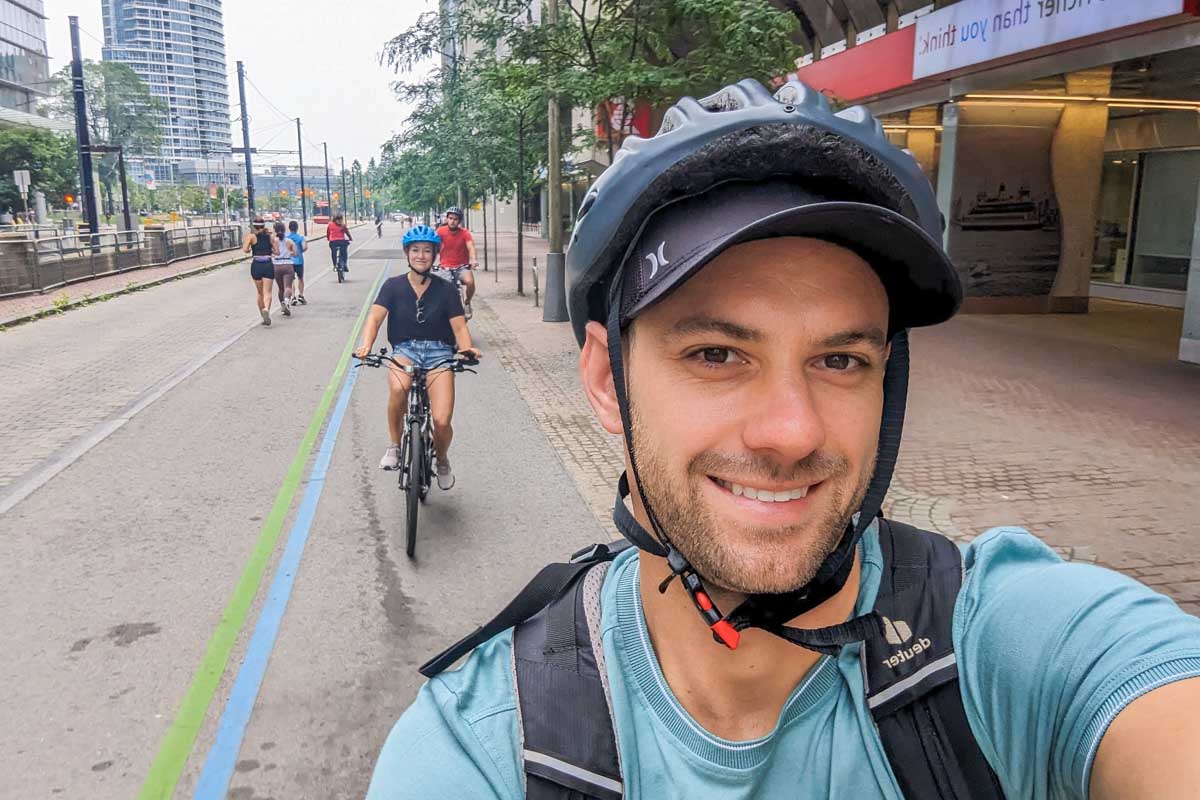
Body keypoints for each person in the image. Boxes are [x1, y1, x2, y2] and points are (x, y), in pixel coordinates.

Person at [366, 79, 1200, 799]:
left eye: (840, 358)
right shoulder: (489, 742)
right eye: (717, 354)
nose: (793, 432)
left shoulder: (1009, 644)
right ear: (605, 380)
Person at [355, 225, 481, 489]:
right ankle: (394, 446)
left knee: (441, 420)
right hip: (406, 351)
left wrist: (467, 348)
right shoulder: (392, 286)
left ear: (435, 254)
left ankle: (442, 459)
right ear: (407, 253)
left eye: (427, 251)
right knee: (398, 390)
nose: (421, 256)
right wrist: (365, 345)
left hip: (439, 353)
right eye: (415, 250)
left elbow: (459, 327)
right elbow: (375, 317)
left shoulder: (446, 290)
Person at [434, 206, 477, 314]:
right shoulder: (440, 231)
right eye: (450, 218)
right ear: (447, 219)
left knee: (470, 282)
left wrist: (474, 260)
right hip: (445, 266)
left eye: (455, 219)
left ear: (459, 221)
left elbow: (470, 247)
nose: (452, 221)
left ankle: (467, 302)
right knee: (440, 287)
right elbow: (433, 246)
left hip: (461, 267)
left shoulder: (465, 233)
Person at [241, 217, 276, 326]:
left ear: (254, 226)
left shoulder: (251, 237)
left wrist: (251, 248)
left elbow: (245, 250)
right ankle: (266, 309)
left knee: (260, 293)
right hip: (268, 264)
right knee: (268, 292)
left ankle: (262, 314)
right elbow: (277, 251)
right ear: (264, 225)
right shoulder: (270, 237)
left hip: (256, 265)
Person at [271, 221, 298, 316]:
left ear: (275, 230)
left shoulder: (273, 241)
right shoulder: (289, 241)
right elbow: (296, 253)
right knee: (288, 286)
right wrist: (289, 253)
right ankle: (287, 301)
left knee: (281, 288)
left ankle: (282, 304)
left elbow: (272, 252)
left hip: (277, 265)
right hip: (288, 264)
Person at [287, 220, 309, 304]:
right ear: (297, 228)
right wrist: (300, 251)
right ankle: (301, 295)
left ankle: (293, 297)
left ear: (289, 228)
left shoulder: (287, 238)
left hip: (289, 261)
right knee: (300, 278)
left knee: (291, 280)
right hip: (299, 261)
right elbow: (304, 247)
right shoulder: (301, 238)